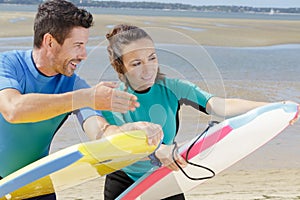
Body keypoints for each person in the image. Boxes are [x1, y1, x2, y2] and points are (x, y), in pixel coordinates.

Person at [102, 24, 299, 200]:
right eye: (136, 63)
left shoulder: (173, 88)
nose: (148, 69)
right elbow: (117, 147)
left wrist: (273, 107)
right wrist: (156, 151)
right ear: (121, 67)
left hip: (163, 176)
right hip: (124, 181)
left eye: (152, 58)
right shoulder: (111, 98)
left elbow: (220, 106)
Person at [0, 1, 163, 200]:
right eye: (78, 46)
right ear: (50, 42)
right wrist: (84, 98)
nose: (84, 55)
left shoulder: (75, 85)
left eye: (85, 46)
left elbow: (99, 131)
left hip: (35, 182)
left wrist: (129, 132)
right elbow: (13, 109)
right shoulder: (7, 64)